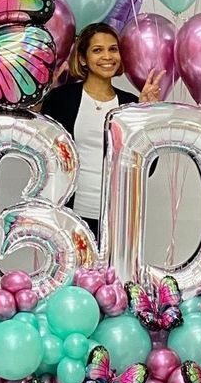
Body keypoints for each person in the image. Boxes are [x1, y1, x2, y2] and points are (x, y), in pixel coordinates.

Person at [41, 22, 163, 240]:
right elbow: (41, 149)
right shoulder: (62, 99)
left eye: (113, 49)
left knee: (113, 275)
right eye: (97, 50)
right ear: (83, 59)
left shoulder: (130, 103)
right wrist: (43, 94)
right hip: (70, 215)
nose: (108, 56)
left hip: (117, 218)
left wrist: (145, 114)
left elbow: (148, 167)